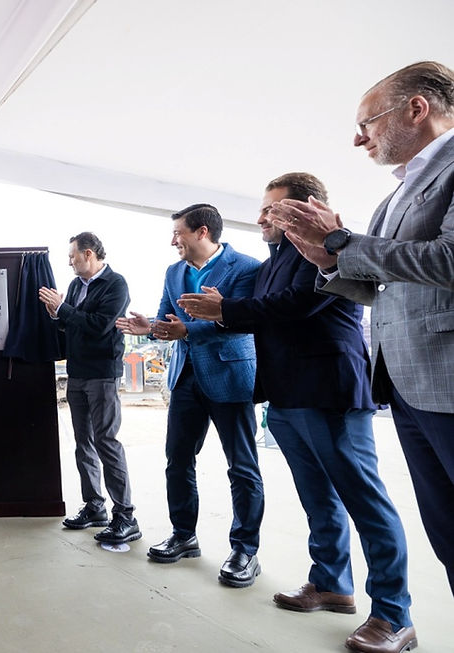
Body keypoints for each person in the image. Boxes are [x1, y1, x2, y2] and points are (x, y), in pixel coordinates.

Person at [178, 173, 414, 653]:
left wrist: (227, 310)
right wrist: (228, 310)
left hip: (328, 391)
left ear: (306, 210)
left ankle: (393, 615)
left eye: (273, 208)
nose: (261, 217)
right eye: (263, 208)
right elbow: (264, 307)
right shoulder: (273, 262)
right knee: (319, 499)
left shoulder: (325, 252)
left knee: (366, 504)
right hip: (286, 394)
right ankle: (331, 584)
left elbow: (297, 305)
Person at [272, 61, 454, 651]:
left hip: (446, 377)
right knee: (446, 532)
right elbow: (375, 286)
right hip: (404, 380)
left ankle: (389, 610)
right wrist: (329, 260)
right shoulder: (396, 193)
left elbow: (449, 262)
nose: (359, 138)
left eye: (367, 122)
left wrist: (340, 243)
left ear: (416, 109)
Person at [118, 204, 264, 587]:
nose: (173, 241)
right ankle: (184, 535)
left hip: (230, 376)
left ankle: (245, 550)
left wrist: (189, 331)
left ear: (201, 232)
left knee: (242, 467)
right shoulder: (174, 272)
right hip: (184, 378)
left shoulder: (247, 267)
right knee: (177, 460)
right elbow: (169, 319)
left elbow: (244, 322)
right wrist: (148, 326)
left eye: (178, 233)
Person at [37, 232, 140, 545]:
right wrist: (56, 315)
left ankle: (125, 516)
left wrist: (63, 309)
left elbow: (98, 326)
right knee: (84, 442)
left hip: (102, 375)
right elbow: (72, 326)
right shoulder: (74, 287)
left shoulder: (116, 284)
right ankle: (95, 507)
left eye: (73, 256)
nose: (70, 262)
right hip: (78, 374)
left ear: (90, 253)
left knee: (106, 441)